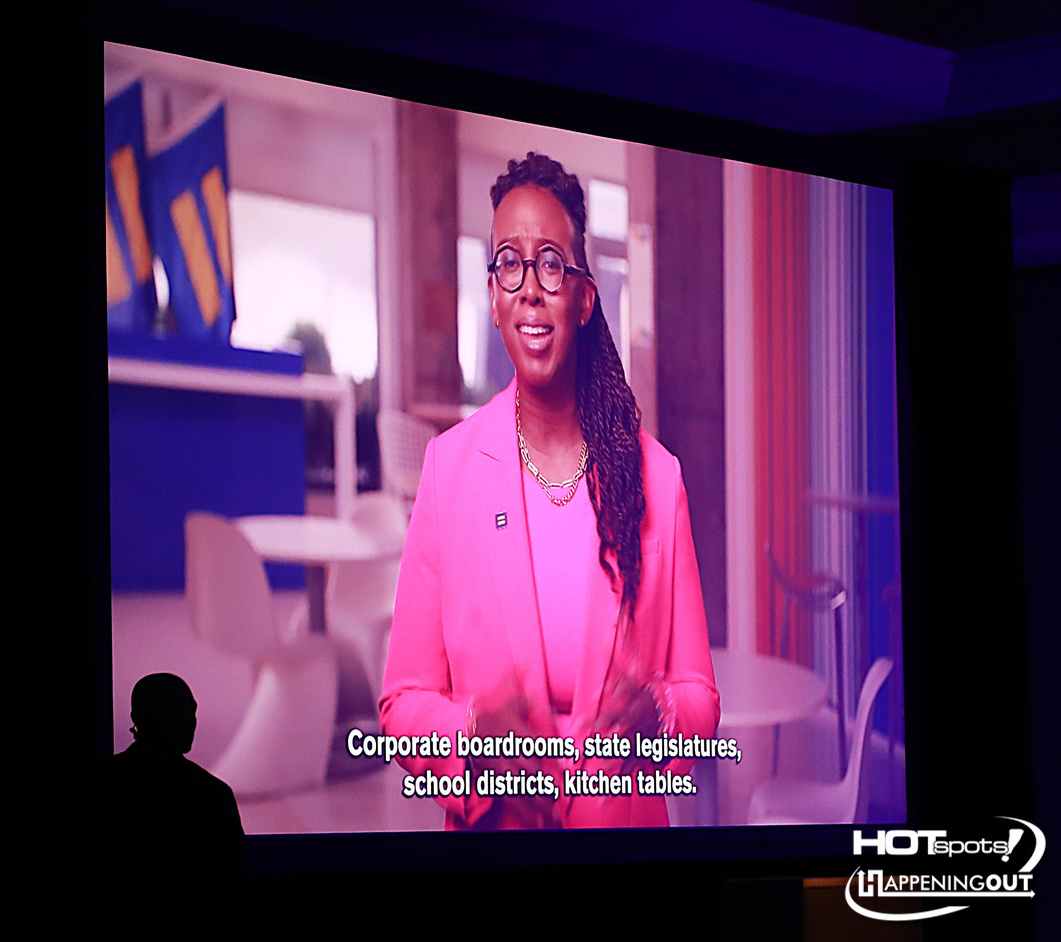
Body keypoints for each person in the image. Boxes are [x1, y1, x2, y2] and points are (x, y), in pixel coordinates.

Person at [380, 153, 719, 830]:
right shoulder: (449, 470)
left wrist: (659, 711)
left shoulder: (657, 477)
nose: (530, 287)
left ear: (584, 297)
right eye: (509, 261)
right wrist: (472, 735)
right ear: (495, 295)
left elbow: (700, 701)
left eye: (551, 264)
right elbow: (402, 702)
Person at [96, 673, 245, 935]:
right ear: (141, 717)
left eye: (191, 711)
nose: (189, 720)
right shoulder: (211, 795)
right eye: (175, 710)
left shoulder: (101, 784)